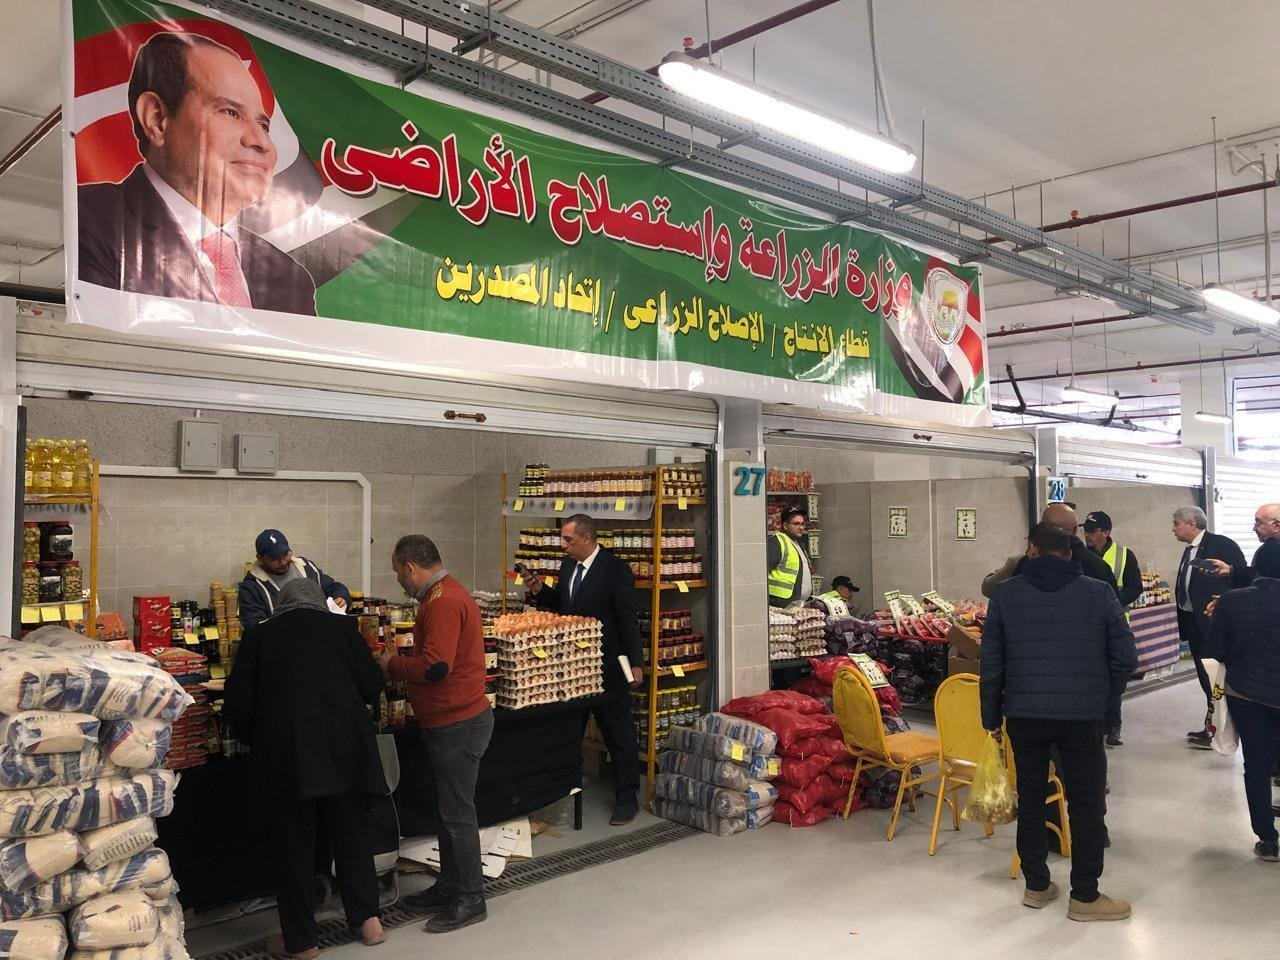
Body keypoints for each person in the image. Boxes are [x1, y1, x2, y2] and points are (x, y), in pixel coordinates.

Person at [78, 31, 317, 313]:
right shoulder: (90, 220)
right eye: (230, 112)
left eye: (264, 126)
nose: (261, 142)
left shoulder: (290, 278)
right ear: (157, 119)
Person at [980, 522, 1137, 921]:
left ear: (1031, 549)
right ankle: (1085, 895)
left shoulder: (1004, 594)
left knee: (1031, 798)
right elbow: (1125, 658)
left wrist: (990, 717)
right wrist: (1103, 701)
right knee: (1085, 803)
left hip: (1024, 714)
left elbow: (992, 664)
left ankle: (1036, 885)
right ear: (1069, 552)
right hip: (1082, 716)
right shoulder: (1098, 593)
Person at [224, 579, 387, 959]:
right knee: (352, 835)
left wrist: (256, 737)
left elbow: (238, 705)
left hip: (289, 757)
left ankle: (302, 942)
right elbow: (371, 684)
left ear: (280, 606)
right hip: (347, 751)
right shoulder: (343, 628)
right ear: (318, 602)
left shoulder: (260, 637)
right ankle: (369, 922)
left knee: (294, 847)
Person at [380, 535, 492, 934]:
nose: (398, 580)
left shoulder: (442, 601)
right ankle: (450, 886)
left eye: (397, 572)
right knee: (448, 812)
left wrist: (391, 664)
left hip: (457, 723)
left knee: (457, 814)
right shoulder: (442, 594)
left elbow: (435, 667)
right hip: (450, 720)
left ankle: (471, 898)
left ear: (411, 567)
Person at [526, 514, 644, 824]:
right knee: (568, 732)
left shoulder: (615, 570)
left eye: (568, 540)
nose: (563, 545)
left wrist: (635, 662)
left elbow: (627, 618)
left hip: (608, 665)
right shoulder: (568, 567)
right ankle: (561, 792)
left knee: (617, 731)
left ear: (587, 538)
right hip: (574, 667)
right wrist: (540, 590)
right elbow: (566, 606)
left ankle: (627, 797)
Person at [1203, 537, 1280, 862]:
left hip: (1247, 694)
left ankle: (1268, 839)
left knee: (1257, 765)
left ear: (1256, 568)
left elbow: (1216, 649)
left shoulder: (1233, 601)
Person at [1171, 506, 1250, 748]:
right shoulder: (1190, 550)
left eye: (1176, 523)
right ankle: (1212, 728)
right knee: (1207, 681)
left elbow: (1241, 579)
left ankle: (1226, 730)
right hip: (1194, 625)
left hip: (1213, 625)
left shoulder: (1221, 545)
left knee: (1216, 680)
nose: (1173, 529)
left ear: (1192, 523)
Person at [1082, 511, 1143, 747]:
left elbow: (1135, 587)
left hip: (1115, 625)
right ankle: (1095, 724)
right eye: (1085, 530)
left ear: (1106, 533)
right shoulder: (1079, 555)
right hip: (1087, 625)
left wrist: (1113, 602)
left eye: (1092, 531)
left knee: (1114, 676)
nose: (1087, 535)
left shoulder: (1124, 555)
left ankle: (1113, 726)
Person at [981, 502, 1116, 598]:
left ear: (1042, 527)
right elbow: (1113, 610)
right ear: (1075, 529)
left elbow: (991, 590)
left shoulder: (1024, 564)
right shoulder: (1099, 567)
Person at [238, 528, 351, 628]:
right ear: (260, 558)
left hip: (320, 635)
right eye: (274, 559)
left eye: (285, 554)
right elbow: (254, 626)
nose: (283, 562)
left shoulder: (307, 568)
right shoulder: (251, 587)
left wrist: (342, 597)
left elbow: (335, 587)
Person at [768, 508, 813, 608]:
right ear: (785, 525)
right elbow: (761, 572)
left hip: (798, 603)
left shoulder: (799, 544)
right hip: (781, 602)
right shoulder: (776, 542)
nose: (801, 527)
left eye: (802, 524)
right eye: (796, 524)